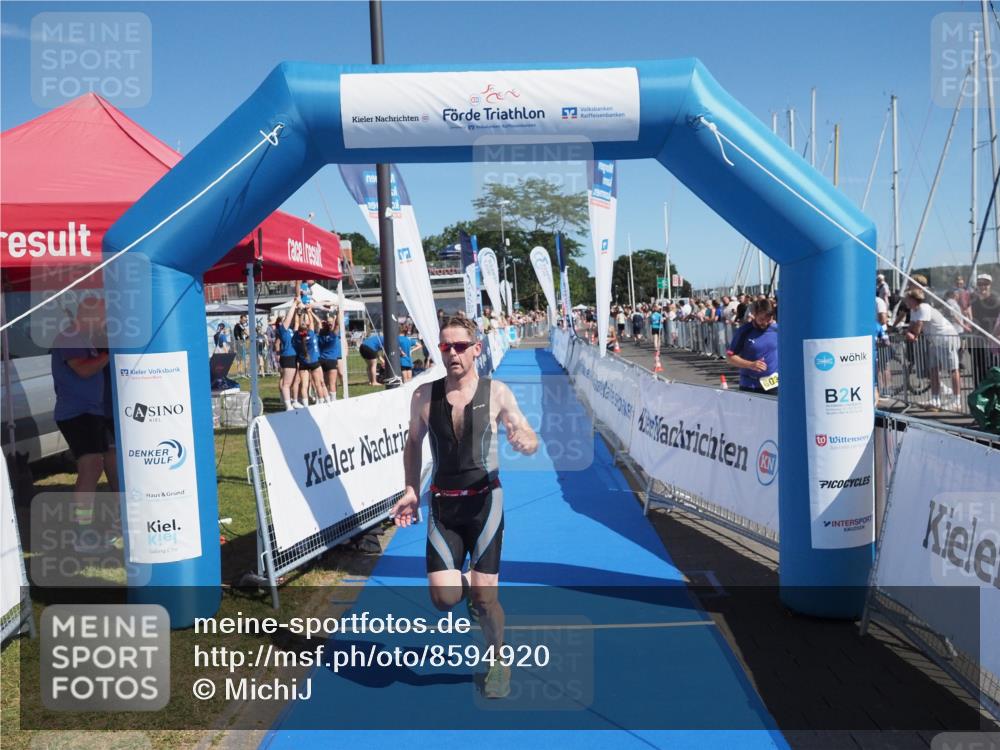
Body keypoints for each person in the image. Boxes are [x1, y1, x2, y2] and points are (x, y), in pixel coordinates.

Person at [390, 316, 538, 699]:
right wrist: (409, 488)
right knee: (444, 600)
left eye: (459, 346)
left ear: (477, 348)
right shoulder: (424, 395)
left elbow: (527, 433)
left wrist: (525, 440)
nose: (452, 353)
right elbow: (413, 444)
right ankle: (472, 590)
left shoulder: (498, 392)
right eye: (445, 347)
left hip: (485, 503)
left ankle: (498, 660)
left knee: (486, 599)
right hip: (443, 506)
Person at [50, 297, 119, 550]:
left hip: (91, 413)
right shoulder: (69, 337)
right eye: (101, 316)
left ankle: (86, 531)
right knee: (90, 468)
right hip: (76, 414)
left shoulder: (84, 338)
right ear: (88, 314)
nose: (103, 321)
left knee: (95, 466)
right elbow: (83, 370)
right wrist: (109, 354)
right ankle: (82, 534)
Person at [904, 288, 962, 410]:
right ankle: (936, 399)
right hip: (935, 342)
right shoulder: (914, 310)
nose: (906, 301)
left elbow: (918, 326)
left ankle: (957, 400)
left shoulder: (923, 307)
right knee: (933, 370)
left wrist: (912, 335)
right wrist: (909, 333)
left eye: (908, 299)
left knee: (953, 369)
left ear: (914, 300)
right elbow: (911, 326)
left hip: (947, 339)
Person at [726, 298, 779, 395]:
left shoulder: (777, 329)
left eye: (769, 319)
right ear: (754, 314)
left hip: (773, 385)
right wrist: (750, 364)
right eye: (761, 319)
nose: (765, 323)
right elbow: (730, 357)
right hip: (750, 385)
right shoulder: (744, 331)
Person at [294, 305, 330, 405]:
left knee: (304, 385)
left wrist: (300, 313)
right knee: (318, 384)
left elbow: (298, 324)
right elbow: (311, 323)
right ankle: (323, 402)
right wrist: (309, 311)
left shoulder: (297, 336)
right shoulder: (311, 333)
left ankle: (306, 406)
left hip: (303, 362)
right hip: (314, 361)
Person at [971, 273, 1000, 384]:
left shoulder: (996, 300)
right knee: (978, 367)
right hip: (978, 339)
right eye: (980, 284)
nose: (983, 286)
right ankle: (979, 393)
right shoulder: (975, 301)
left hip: (993, 340)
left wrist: (993, 335)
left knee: (993, 368)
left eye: (985, 284)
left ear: (990, 285)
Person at [276, 299, 301, 410]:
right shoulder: (282, 330)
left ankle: (294, 401)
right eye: (284, 320)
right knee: (286, 383)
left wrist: (298, 310)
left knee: (296, 380)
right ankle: (288, 405)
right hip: (288, 356)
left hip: (294, 357)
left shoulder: (290, 331)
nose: (286, 320)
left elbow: (296, 322)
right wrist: (294, 304)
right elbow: (289, 318)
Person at [318, 312, 343, 400]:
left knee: (324, 382)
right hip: (331, 360)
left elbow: (319, 326)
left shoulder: (319, 336)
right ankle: (333, 400)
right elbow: (337, 324)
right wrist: (338, 313)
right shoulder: (333, 335)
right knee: (332, 383)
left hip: (321, 360)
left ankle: (325, 399)